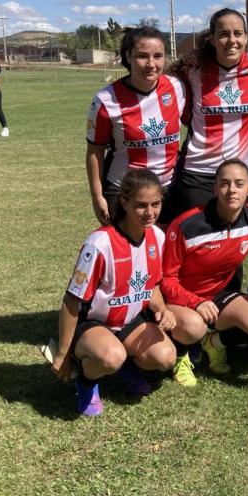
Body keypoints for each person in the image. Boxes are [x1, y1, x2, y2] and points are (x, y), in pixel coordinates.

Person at [161, 159, 248, 384]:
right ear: (215, 188)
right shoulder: (185, 225)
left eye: (239, 184)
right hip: (182, 299)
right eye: (225, 184)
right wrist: (195, 302)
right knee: (194, 327)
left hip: (219, 294)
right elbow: (166, 280)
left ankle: (213, 342)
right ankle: (182, 354)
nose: (232, 190)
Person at [51, 169, 178, 417]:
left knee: (165, 357)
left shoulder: (157, 237)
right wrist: (63, 354)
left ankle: (125, 366)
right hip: (93, 325)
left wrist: (162, 310)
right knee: (110, 356)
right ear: (123, 202)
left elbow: (150, 285)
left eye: (156, 204)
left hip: (129, 322)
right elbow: (71, 301)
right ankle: (87, 381)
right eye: (141, 205)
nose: (150, 212)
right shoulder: (99, 243)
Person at [167, 8, 248, 219]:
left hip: (239, 175)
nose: (231, 40)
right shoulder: (194, 69)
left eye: (237, 33)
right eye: (223, 34)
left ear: (246, 37)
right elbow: (161, 82)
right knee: (196, 241)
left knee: (232, 241)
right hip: (198, 173)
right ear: (212, 38)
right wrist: (185, 58)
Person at [86, 27, 188, 225]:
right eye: (142, 56)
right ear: (128, 56)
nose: (151, 64)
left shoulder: (177, 87)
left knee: (164, 250)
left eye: (158, 56)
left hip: (168, 189)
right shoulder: (106, 100)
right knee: (129, 252)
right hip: (124, 192)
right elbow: (95, 150)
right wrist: (97, 196)